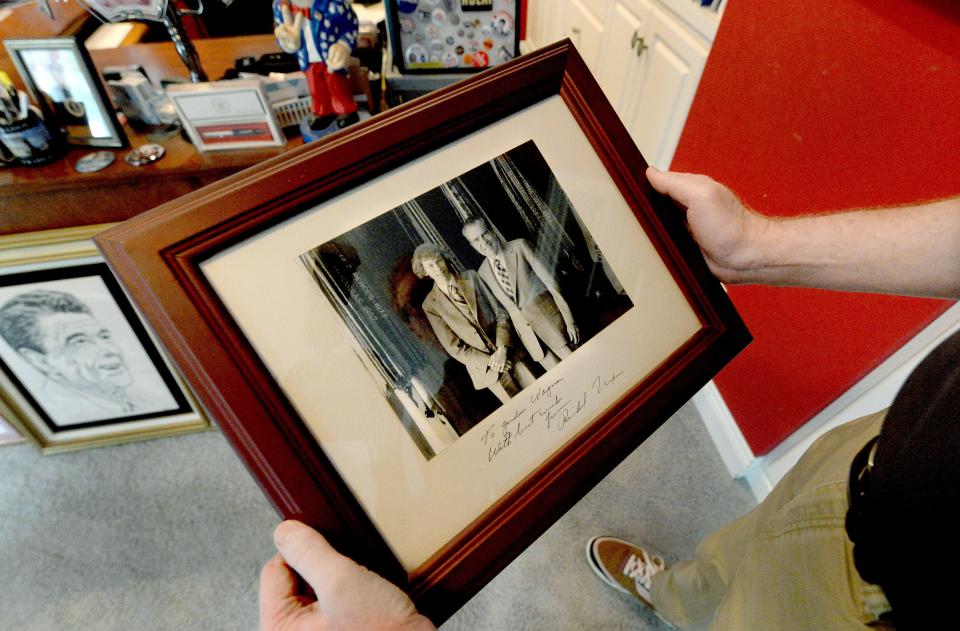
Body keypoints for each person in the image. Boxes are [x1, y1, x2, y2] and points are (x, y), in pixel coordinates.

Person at [260, 167, 960, 630]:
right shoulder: (441, 299)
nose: (457, 255)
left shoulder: (492, 264)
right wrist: (756, 246)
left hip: (891, 601)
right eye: (454, 249)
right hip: (876, 452)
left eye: (461, 247)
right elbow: (458, 341)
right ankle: (683, 591)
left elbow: (509, 305)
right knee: (745, 543)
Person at [0, 289, 150, 423]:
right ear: (40, 361)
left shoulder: (141, 400)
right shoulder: (67, 415)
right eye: (80, 341)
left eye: (103, 336)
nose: (110, 350)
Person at [411, 243, 535, 404]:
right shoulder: (430, 305)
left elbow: (501, 312)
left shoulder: (471, 277)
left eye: (439, 260)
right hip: (485, 370)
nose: (437, 268)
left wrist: (502, 350)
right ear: (424, 271)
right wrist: (491, 362)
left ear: (444, 259)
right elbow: (454, 347)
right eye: (430, 265)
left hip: (511, 353)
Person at [461, 217, 579, 371]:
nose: (483, 242)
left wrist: (569, 320)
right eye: (476, 240)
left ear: (492, 231)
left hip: (557, 327)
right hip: (533, 342)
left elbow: (551, 283)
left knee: (582, 367)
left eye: (484, 234)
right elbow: (502, 312)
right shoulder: (482, 273)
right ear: (472, 245)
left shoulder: (520, 246)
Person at [273, 0, 359, 128]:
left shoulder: (334, 4)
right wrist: (287, 43)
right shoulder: (281, 7)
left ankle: (345, 110)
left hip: (330, 56)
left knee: (337, 84)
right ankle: (323, 111)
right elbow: (281, 31)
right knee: (315, 87)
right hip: (307, 58)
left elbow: (350, 25)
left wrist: (344, 45)